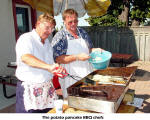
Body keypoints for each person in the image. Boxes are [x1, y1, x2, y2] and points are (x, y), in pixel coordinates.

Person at [15, 13, 64, 113]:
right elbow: (26, 58)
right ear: (38, 24)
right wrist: (49, 67)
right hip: (31, 90)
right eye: (47, 27)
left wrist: (57, 70)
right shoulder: (26, 38)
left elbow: (50, 67)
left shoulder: (47, 44)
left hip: (47, 90)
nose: (49, 31)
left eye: (52, 29)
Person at [51, 9, 103, 98]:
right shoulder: (60, 36)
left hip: (87, 73)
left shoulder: (83, 32)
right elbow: (58, 58)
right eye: (70, 22)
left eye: (75, 21)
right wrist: (77, 57)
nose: (73, 24)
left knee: (89, 99)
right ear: (64, 21)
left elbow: (88, 50)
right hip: (70, 77)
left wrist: (96, 50)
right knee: (73, 104)